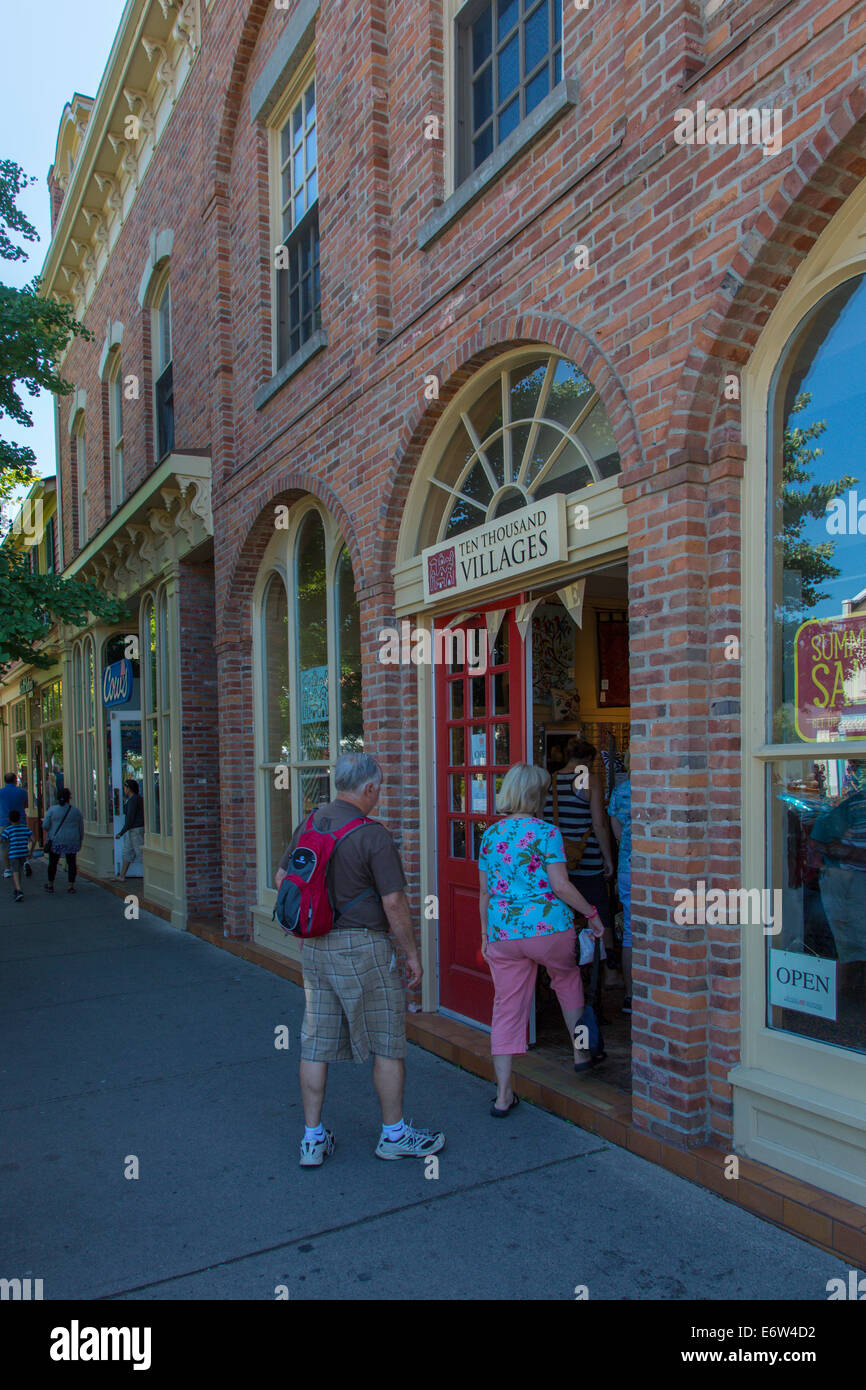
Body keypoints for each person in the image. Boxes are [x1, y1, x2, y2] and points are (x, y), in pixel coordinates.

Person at [275, 751, 445, 1167]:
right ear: (368, 788)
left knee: (314, 1044)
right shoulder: (374, 835)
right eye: (379, 790)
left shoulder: (311, 822)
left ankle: (312, 1140)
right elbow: (394, 903)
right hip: (364, 948)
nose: (379, 796)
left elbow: (283, 880)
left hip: (316, 948)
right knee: (388, 1041)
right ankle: (393, 1135)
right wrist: (412, 955)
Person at [479, 762, 605, 1114]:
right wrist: (592, 915)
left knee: (506, 1008)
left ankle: (503, 1096)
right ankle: (580, 1052)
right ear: (539, 795)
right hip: (549, 930)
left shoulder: (491, 835)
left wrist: (485, 936)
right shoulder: (547, 833)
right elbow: (561, 885)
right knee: (566, 982)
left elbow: (485, 894)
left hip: (504, 933)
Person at [543, 736, 615, 946]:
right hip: (587, 859)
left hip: (557, 862)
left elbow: (541, 820)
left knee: (563, 915)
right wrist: (608, 858)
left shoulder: (549, 781)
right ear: (587, 759)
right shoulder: (587, 780)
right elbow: (599, 824)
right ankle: (608, 966)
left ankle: (567, 958)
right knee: (599, 911)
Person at [809, 761, 866, 993]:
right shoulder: (856, 804)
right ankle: (838, 1004)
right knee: (850, 944)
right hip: (851, 880)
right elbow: (817, 841)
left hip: (848, 878)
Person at [607, 748, 633, 1013]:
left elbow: (617, 834)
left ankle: (630, 995)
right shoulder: (657, 789)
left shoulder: (620, 792)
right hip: (656, 868)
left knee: (630, 933)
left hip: (628, 865)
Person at [41, 787, 84, 894]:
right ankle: (70, 886)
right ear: (69, 798)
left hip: (56, 840)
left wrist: (52, 830)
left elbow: (45, 825)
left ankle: (50, 885)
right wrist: (80, 839)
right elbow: (81, 828)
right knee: (71, 862)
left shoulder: (52, 810)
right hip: (72, 840)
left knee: (53, 863)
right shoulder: (75, 811)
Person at [0, 771, 28, 882]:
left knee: (5, 846)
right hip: (20, 821)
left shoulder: (1, 792)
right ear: (15, 780)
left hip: (4, 822)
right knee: (21, 843)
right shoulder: (22, 792)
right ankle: (24, 863)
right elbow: (26, 804)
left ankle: (7, 869)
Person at [115, 778, 145, 879]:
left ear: (129, 788)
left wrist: (121, 832)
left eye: (125, 787)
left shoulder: (133, 800)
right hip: (133, 830)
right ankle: (122, 875)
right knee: (127, 851)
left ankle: (150, 878)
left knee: (140, 854)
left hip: (136, 830)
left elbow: (130, 817)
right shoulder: (134, 799)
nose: (124, 789)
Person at [1, 809, 32, 903]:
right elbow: (33, 839)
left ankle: (18, 890)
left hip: (13, 853)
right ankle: (26, 864)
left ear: (9, 819)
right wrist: (31, 850)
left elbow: (2, 840)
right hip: (23, 853)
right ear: (20, 818)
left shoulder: (8, 830)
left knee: (15, 871)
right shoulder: (25, 828)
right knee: (19, 870)